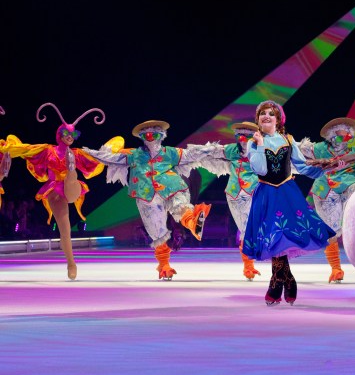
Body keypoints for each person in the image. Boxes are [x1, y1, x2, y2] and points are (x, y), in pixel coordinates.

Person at [83, 120, 214, 280]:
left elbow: (191, 155)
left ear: (162, 135)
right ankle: (164, 265)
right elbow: (110, 159)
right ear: (142, 137)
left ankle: (194, 223)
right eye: (147, 134)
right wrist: (87, 153)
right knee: (157, 232)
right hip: (146, 196)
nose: (151, 137)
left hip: (170, 187)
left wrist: (212, 149)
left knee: (180, 206)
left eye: (155, 134)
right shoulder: (134, 155)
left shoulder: (170, 153)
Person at [242, 100, 335, 306]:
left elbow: (301, 166)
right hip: (266, 194)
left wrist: (326, 168)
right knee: (274, 237)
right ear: (257, 119)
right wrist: (259, 145)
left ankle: (277, 282)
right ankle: (287, 279)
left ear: (278, 119)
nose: (266, 116)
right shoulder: (253, 143)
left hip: (287, 193)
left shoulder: (288, 139)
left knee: (283, 236)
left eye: (271, 113)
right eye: (262, 113)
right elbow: (261, 170)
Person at [6, 103, 106, 280]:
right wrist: (8, 148)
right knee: (65, 228)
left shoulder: (76, 152)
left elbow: (97, 158)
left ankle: (71, 172)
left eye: (73, 134)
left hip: (71, 186)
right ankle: (71, 263)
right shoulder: (48, 150)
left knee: (72, 173)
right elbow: (27, 150)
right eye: (67, 134)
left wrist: (113, 155)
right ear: (60, 135)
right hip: (54, 190)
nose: (70, 137)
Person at [188, 121, 262, 280]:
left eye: (247, 136)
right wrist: (191, 153)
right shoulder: (231, 151)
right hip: (234, 194)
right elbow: (212, 152)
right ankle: (248, 266)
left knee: (252, 228)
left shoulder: (262, 151)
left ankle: (251, 263)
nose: (243, 139)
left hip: (256, 193)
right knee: (245, 228)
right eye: (240, 136)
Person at [299, 117, 355, 283]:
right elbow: (297, 152)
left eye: (349, 134)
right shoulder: (319, 149)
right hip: (326, 189)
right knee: (331, 230)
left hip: (350, 186)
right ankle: (336, 269)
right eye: (343, 133)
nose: (347, 137)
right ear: (332, 135)